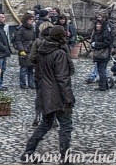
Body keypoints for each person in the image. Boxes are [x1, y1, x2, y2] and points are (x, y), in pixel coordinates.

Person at [21, 25, 75, 164]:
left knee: (45, 124)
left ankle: (28, 153)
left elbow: (38, 75)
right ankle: (65, 159)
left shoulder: (42, 50)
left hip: (45, 92)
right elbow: (63, 79)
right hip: (57, 94)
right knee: (65, 126)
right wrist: (68, 99)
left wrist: (41, 92)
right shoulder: (60, 53)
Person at [13, 13, 37, 90]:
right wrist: (21, 50)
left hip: (31, 50)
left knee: (31, 69)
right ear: (26, 20)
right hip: (24, 50)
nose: (32, 21)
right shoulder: (21, 29)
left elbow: (34, 39)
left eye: (32, 19)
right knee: (24, 69)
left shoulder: (32, 28)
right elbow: (18, 40)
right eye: (30, 19)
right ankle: (23, 84)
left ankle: (31, 83)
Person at [90, 18, 113, 91]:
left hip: (104, 54)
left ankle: (102, 86)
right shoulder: (96, 33)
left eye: (99, 24)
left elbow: (107, 43)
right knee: (101, 70)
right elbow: (93, 40)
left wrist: (96, 44)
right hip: (98, 54)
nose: (97, 25)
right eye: (97, 24)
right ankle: (105, 86)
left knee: (101, 70)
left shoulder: (105, 32)